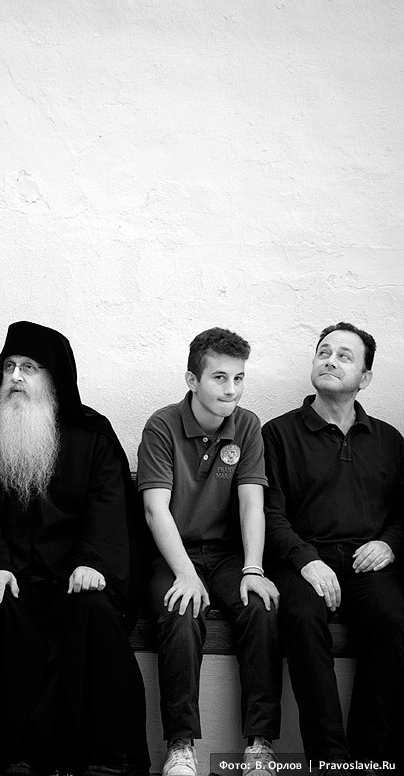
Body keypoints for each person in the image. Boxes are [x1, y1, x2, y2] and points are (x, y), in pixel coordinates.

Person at [0, 321, 149, 776]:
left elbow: (108, 504)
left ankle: (104, 757)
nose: (16, 377)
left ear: (54, 378)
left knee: (94, 613)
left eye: (30, 367)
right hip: (11, 571)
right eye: (9, 367)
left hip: (75, 573)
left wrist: (92, 563)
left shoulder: (92, 434)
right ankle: (8, 755)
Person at [137, 327, 281, 776]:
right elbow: (153, 509)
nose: (231, 389)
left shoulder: (248, 424)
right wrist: (184, 573)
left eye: (239, 378)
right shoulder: (162, 424)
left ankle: (259, 745)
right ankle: (180, 747)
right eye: (220, 378)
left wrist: (253, 568)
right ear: (192, 379)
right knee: (181, 612)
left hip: (227, 557)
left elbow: (251, 501)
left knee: (260, 604)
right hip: (173, 554)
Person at [263, 322, 404, 774]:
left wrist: (389, 544)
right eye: (324, 352)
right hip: (302, 559)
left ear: (364, 377)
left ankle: (371, 756)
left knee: (390, 618)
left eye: (345, 356)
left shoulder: (388, 439)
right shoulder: (278, 434)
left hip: (367, 561)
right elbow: (268, 512)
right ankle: (329, 759)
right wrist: (306, 560)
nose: (330, 360)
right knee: (301, 620)